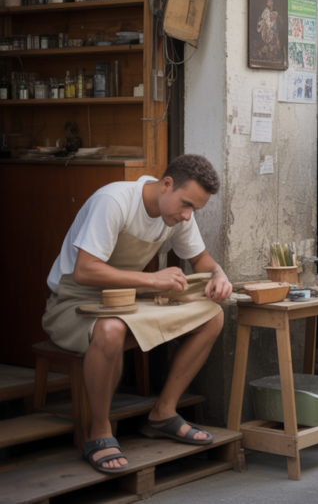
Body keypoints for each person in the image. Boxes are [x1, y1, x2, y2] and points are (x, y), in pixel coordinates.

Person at [42, 154, 232, 473]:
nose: (188, 216)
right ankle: (100, 430)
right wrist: (151, 280)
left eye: (194, 210)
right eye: (186, 205)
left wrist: (219, 274)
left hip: (127, 300)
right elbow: (86, 271)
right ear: (166, 184)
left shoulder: (176, 214)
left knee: (212, 315)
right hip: (71, 301)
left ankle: (163, 413)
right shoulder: (114, 200)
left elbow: (202, 261)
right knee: (111, 329)